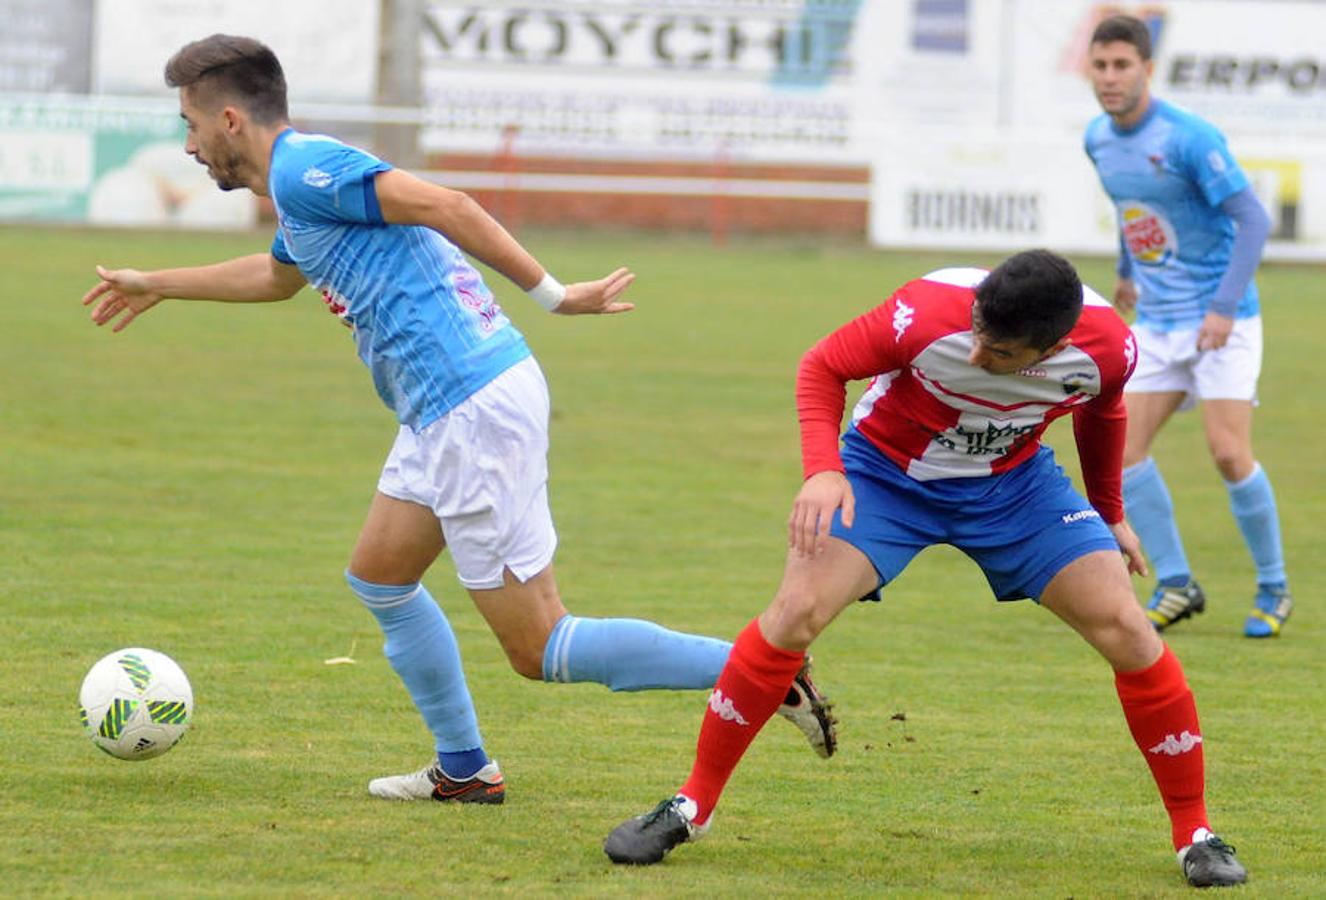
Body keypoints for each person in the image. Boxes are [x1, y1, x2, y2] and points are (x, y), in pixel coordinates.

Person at [81, 34, 837, 805]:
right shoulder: (301, 185)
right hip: (443, 409)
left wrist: (556, 295)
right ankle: (464, 769)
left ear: (231, 120)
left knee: (540, 646)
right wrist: (161, 283)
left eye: (190, 122)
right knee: (380, 577)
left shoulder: (308, 171)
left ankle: (763, 669)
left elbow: (450, 205)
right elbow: (279, 276)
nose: (188, 143)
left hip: (469, 409)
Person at [603, 251, 1248, 888]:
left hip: (1014, 489)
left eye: (999, 355)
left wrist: (1109, 513)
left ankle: (1195, 834)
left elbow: (1103, 411)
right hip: (887, 476)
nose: (976, 356)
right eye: (977, 336)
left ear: (1049, 349)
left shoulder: (1109, 349)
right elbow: (822, 366)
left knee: (1128, 629)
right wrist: (824, 469)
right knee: (794, 614)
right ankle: (692, 806)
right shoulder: (922, 312)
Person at [1084, 14, 1291, 638]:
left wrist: (1224, 306)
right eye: (1101, 66)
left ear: (1148, 69)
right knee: (1125, 456)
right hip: (1158, 319)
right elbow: (1130, 211)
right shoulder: (1098, 138)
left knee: (1228, 453)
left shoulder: (1189, 138)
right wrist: (1126, 271)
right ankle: (1177, 583)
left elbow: (1253, 220)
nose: (1111, 78)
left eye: (1123, 66)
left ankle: (1274, 587)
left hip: (1222, 316)